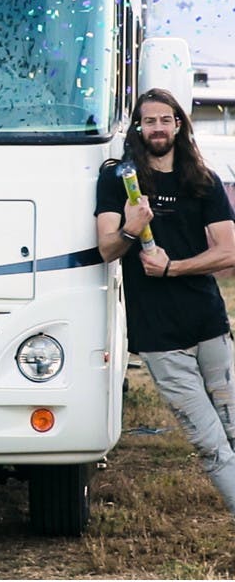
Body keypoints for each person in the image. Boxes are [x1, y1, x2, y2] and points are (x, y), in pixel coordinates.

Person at [95, 87, 235, 515]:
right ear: (138, 128)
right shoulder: (118, 180)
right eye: (149, 120)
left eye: (165, 119)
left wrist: (173, 267)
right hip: (159, 337)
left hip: (209, 326)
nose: (157, 127)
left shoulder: (202, 180)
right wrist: (132, 227)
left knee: (233, 429)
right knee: (209, 442)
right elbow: (106, 249)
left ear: (178, 124)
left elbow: (229, 251)